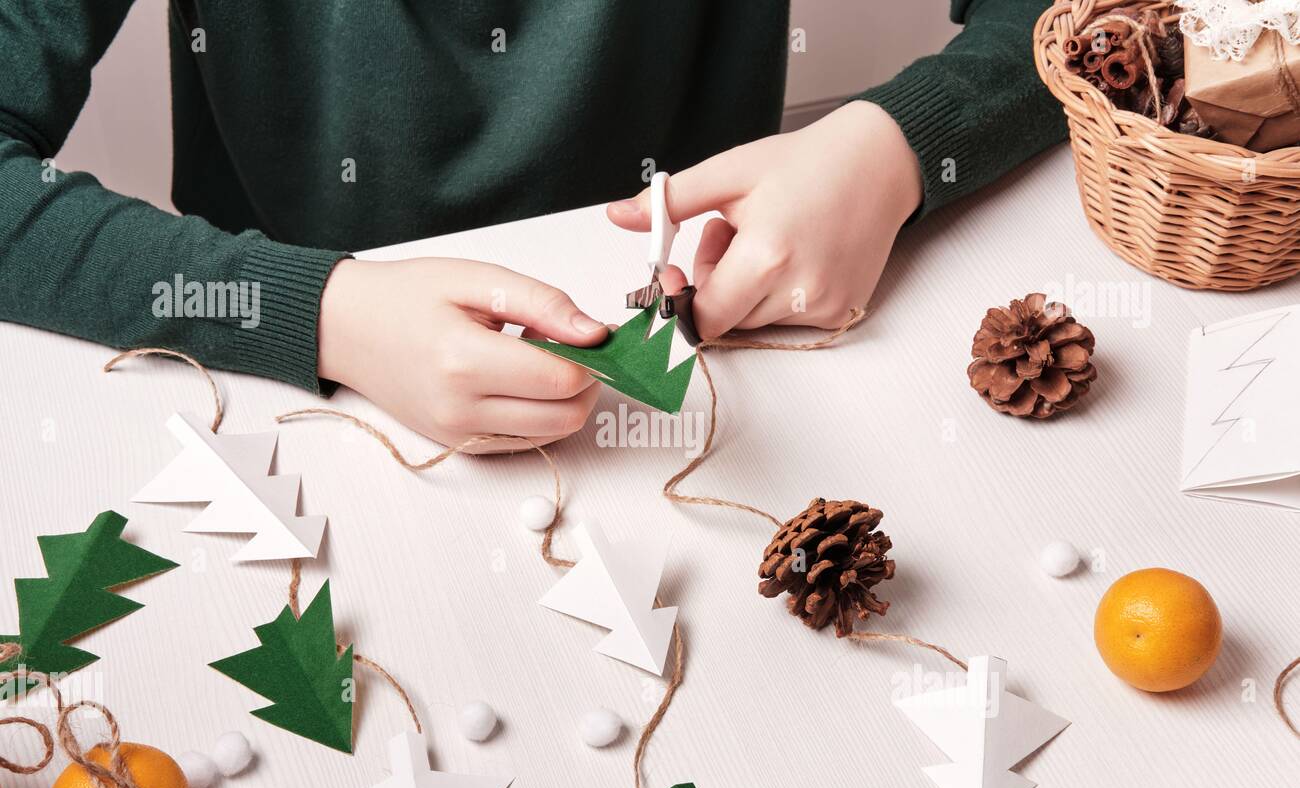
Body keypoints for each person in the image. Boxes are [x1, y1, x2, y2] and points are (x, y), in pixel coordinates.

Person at [0, 1, 1065, 451]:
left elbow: (1099, 14)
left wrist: (891, 147)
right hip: (281, 399)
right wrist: (316, 312)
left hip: (729, 364)